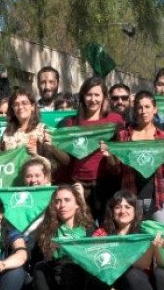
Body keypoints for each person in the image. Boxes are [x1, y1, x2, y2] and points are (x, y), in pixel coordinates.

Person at [47, 77, 125, 220]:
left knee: (105, 230)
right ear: (82, 96)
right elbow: (66, 160)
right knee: (83, 230)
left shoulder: (115, 121)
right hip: (78, 185)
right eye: (89, 94)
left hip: (105, 185)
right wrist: (51, 147)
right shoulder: (71, 123)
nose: (93, 99)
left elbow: (118, 161)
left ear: (104, 97)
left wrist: (109, 156)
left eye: (97, 95)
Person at [102, 91, 164, 223]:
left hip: (157, 198)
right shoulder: (123, 136)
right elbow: (116, 170)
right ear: (135, 110)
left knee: (161, 240)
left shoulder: (163, 137)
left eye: (147, 107)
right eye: (139, 107)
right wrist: (108, 156)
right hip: (130, 200)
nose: (143, 111)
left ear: (155, 109)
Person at [93, 190, 160, 290]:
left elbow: (143, 264)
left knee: (132, 273)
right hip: (110, 283)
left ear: (135, 210)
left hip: (135, 286)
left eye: (128, 207)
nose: (123, 211)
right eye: (118, 207)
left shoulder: (143, 233)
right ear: (112, 211)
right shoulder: (101, 233)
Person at [32, 185, 95, 290]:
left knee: (69, 265)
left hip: (80, 283)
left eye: (67, 200)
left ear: (77, 204)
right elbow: (38, 257)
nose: (62, 205)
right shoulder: (47, 230)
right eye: (58, 201)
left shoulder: (89, 229)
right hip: (55, 284)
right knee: (40, 268)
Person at [0, 88, 47, 157]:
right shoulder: (7, 133)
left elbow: (51, 163)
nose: (20, 107)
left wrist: (36, 154)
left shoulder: (42, 130)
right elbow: (1, 158)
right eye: (16, 104)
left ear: (32, 106)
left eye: (24, 103)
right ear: (12, 109)